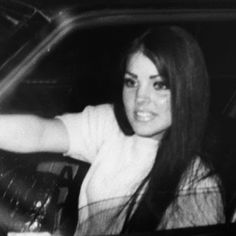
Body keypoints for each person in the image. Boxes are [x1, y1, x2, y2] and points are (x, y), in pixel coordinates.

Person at [1, 26, 225, 235]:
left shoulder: (197, 188)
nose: (140, 99)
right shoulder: (111, 124)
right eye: (131, 82)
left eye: (159, 85)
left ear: (186, 90)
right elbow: (40, 133)